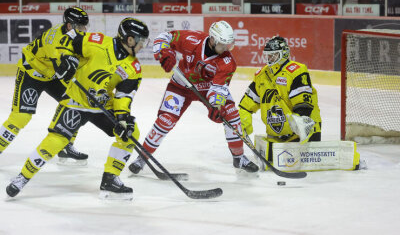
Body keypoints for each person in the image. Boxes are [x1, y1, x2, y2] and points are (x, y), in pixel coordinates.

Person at [6, 17, 150, 200]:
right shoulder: (97, 42)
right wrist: (66, 59)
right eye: (141, 41)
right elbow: (67, 39)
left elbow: (123, 97)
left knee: (130, 133)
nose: (143, 45)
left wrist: (122, 118)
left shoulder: (134, 68)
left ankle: (110, 178)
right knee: (56, 139)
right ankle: (22, 177)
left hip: (102, 105)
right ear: (130, 39)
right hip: (75, 100)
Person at [128, 20, 259, 175]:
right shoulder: (192, 39)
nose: (226, 49)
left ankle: (239, 157)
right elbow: (163, 37)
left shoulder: (228, 62)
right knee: (165, 121)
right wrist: (164, 52)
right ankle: (142, 158)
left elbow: (219, 88)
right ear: (213, 40)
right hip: (180, 86)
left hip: (208, 89)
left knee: (231, 114)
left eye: (228, 45)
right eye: (222, 44)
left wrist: (216, 106)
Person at [0, 7, 89, 165]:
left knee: (76, 104)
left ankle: (65, 145)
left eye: (84, 26)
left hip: (51, 75)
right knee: (21, 117)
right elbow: (63, 69)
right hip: (32, 73)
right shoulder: (55, 41)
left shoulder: (74, 35)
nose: (84, 30)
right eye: (80, 27)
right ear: (69, 25)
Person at [238, 36, 322, 161]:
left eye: (274, 55)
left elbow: (303, 104)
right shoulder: (261, 75)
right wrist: (242, 120)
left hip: (303, 133)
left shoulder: (296, 71)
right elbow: (247, 104)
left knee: (294, 162)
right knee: (273, 160)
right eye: (268, 55)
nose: (269, 58)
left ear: (284, 54)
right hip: (276, 134)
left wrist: (300, 126)